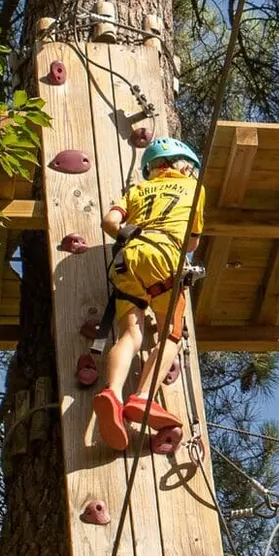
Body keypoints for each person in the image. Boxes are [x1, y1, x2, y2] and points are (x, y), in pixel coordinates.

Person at [92, 137, 204, 451]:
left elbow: (109, 222)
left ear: (153, 168)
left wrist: (131, 233)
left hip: (127, 260)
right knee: (171, 333)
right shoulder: (194, 188)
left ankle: (113, 393)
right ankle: (142, 397)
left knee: (130, 333)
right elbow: (192, 242)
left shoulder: (137, 190)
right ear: (184, 167)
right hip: (165, 258)